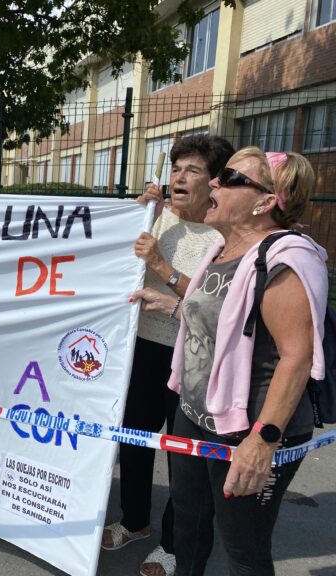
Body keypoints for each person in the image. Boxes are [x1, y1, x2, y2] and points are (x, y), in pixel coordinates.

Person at [132, 148, 326, 575]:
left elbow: (297, 356)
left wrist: (262, 440)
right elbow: (227, 324)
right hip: (195, 412)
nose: (215, 184)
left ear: (265, 201)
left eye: (231, 178)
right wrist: (168, 305)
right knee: (189, 523)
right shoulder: (221, 249)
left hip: (249, 427)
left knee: (242, 548)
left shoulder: (286, 260)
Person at [102, 136, 234, 576]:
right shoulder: (155, 218)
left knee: (182, 457)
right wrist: (133, 219)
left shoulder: (222, 236)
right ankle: (135, 522)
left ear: (214, 182)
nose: (179, 177)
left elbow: (212, 304)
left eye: (192, 170)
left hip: (190, 358)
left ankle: (175, 544)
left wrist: (162, 266)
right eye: (176, 168)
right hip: (141, 348)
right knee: (135, 441)